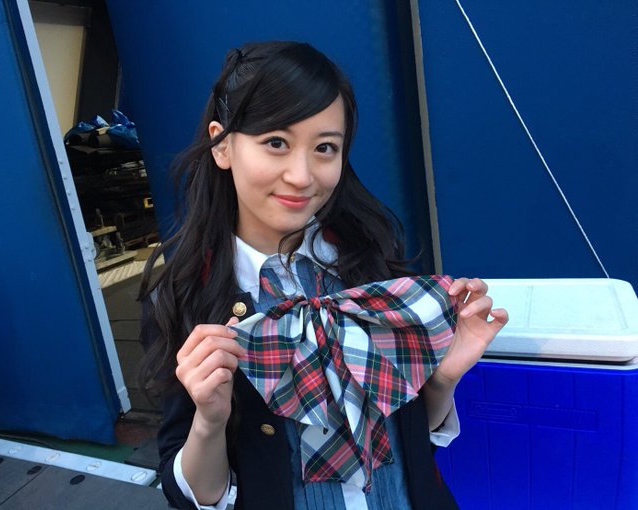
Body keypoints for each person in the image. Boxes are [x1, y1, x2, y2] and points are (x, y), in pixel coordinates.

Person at [139, 41, 508, 510]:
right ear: (223, 145)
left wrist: (441, 379)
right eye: (276, 142)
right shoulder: (181, 298)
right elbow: (194, 495)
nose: (301, 175)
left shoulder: (373, 266)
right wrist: (209, 421)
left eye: (325, 148)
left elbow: (411, 449)